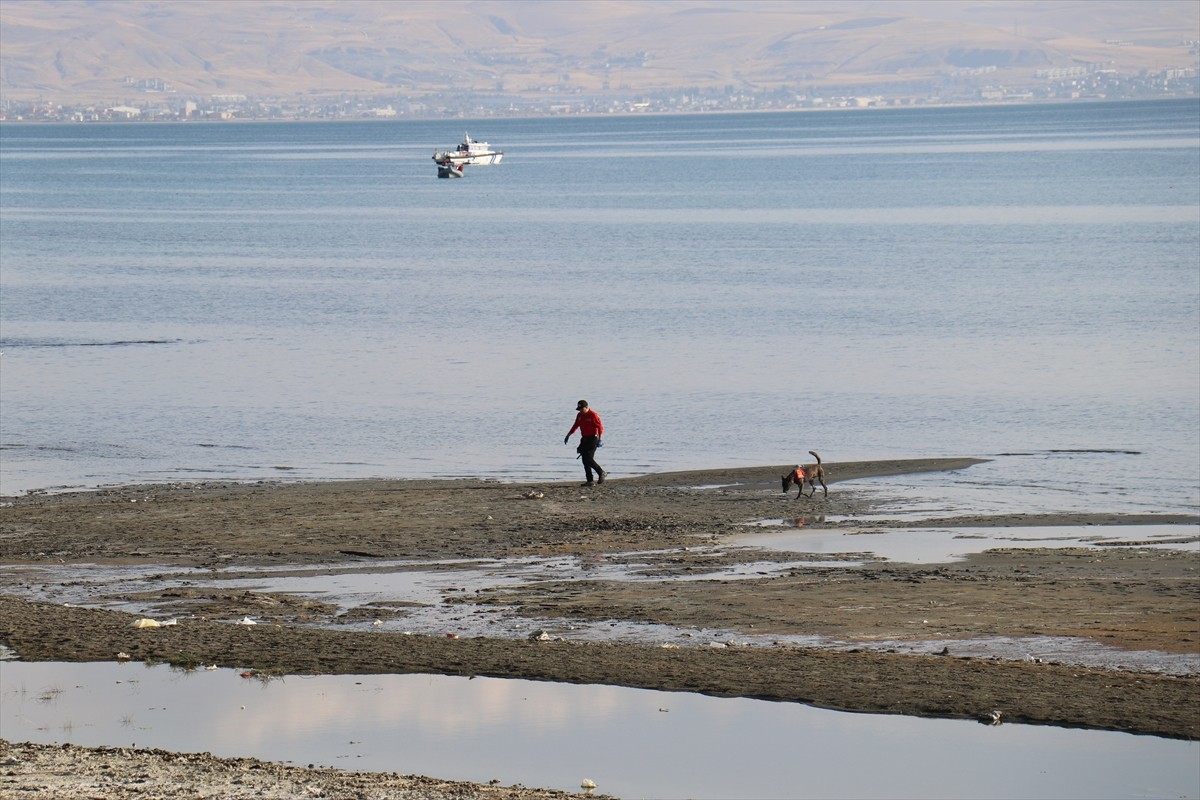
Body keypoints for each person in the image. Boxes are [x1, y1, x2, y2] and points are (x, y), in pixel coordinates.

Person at [564, 399, 607, 486]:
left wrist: (600, 439)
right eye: (579, 409)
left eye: (582, 409)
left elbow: (600, 428)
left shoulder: (593, 415)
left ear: (586, 407)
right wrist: (568, 435)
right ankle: (590, 481)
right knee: (584, 460)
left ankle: (601, 472)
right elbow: (575, 426)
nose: (580, 411)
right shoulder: (579, 415)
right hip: (584, 439)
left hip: (593, 438)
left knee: (589, 458)